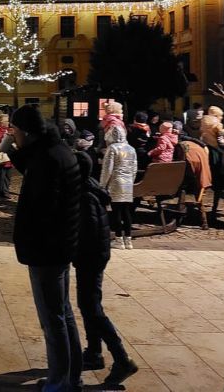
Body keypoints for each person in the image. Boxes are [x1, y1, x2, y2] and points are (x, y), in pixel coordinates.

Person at [8, 106, 82, 392]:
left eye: (14, 130)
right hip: (61, 244)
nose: (12, 134)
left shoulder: (47, 160)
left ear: (26, 131)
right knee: (63, 313)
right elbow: (32, 164)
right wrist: (14, 149)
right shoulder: (57, 150)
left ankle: (59, 382)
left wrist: (27, 237)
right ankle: (71, 376)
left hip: (46, 247)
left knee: (53, 319)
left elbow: (41, 207)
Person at [73, 152, 138, 386]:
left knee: (91, 308)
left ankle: (122, 358)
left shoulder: (85, 196)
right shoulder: (90, 188)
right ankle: (94, 352)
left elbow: (88, 231)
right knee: (89, 305)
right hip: (94, 255)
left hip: (90, 257)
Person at [100, 125, 138, 250]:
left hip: (116, 183)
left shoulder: (112, 148)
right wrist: (130, 181)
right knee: (126, 211)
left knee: (116, 211)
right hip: (128, 183)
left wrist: (102, 185)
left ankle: (118, 239)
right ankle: (128, 240)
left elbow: (107, 169)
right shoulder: (131, 149)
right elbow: (134, 168)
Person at [0, 113, 13, 200]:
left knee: (8, 175)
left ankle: (6, 192)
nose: (8, 123)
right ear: (1, 122)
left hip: (9, 157)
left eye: (8, 121)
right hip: (0, 156)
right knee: (0, 176)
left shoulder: (9, 130)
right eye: (6, 121)